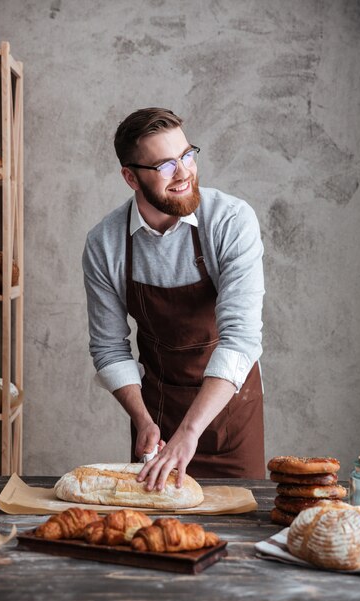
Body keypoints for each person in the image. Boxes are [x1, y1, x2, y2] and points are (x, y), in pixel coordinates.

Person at [82, 107, 265, 491]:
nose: (184, 172)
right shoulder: (105, 244)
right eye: (165, 165)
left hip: (229, 415)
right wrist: (144, 421)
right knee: (159, 537)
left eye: (187, 155)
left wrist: (192, 430)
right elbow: (109, 348)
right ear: (130, 177)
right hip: (157, 417)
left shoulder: (230, 221)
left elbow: (240, 338)